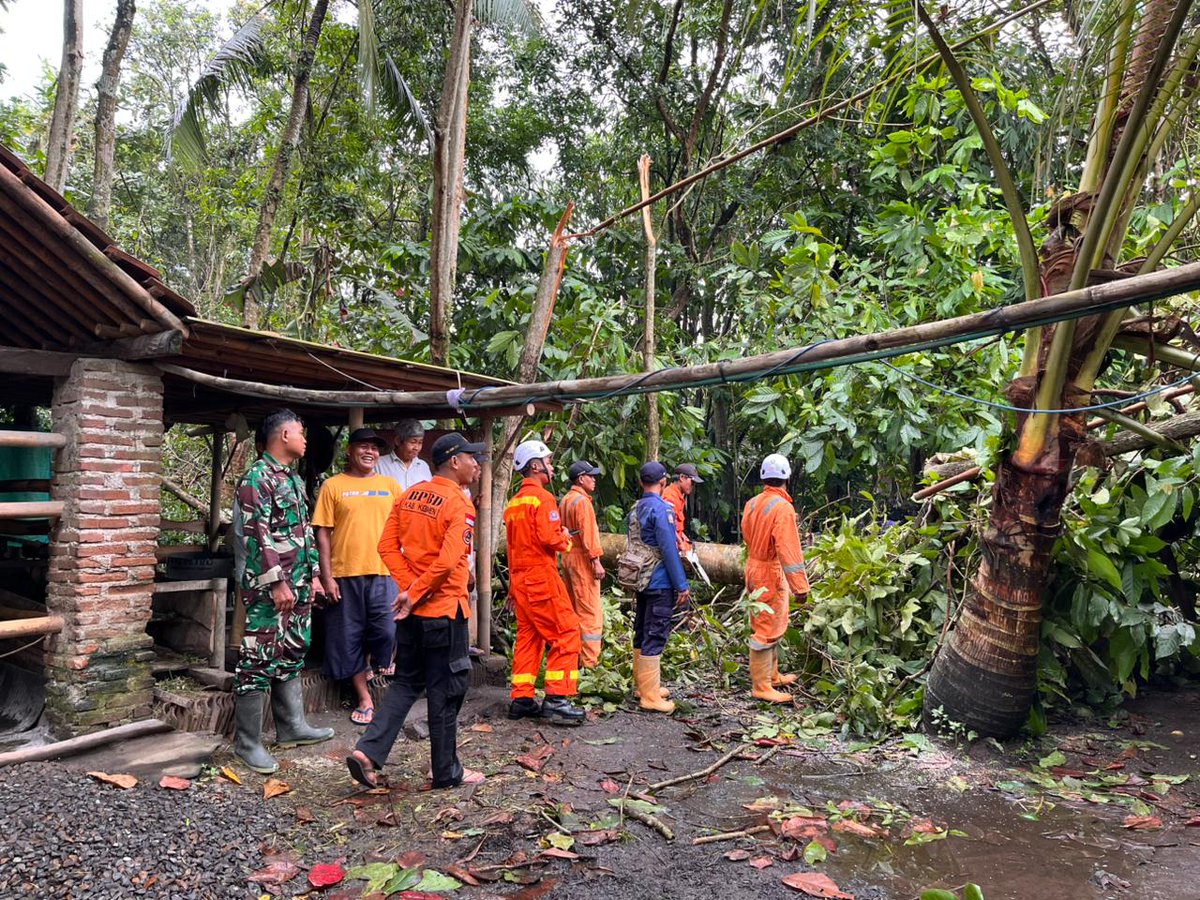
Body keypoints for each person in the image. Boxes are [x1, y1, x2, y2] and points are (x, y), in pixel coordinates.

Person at [345, 432, 487, 790]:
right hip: (444, 613)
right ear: (454, 461)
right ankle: (446, 771)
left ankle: (368, 752)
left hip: (411, 612)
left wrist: (409, 590)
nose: (477, 464)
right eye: (472, 457)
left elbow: (386, 546)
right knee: (446, 691)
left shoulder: (408, 495)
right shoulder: (459, 504)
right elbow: (450, 559)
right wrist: (419, 591)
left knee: (406, 683)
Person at [233, 409, 334, 775]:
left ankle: (291, 727)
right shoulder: (256, 478)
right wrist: (276, 580)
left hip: (299, 585)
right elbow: (256, 534)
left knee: (292, 651)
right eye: (301, 432)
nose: (306, 439)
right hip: (271, 588)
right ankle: (247, 742)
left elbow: (302, 532)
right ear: (285, 434)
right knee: (258, 659)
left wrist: (316, 577)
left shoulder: (290, 478)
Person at [312, 428, 402, 726]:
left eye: (375, 448)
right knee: (347, 638)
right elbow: (322, 534)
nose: (369, 452)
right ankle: (363, 697)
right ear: (349, 451)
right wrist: (326, 577)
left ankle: (373, 669)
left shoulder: (390, 486)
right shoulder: (332, 486)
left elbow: (405, 529)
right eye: (362, 446)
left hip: (384, 573)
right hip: (344, 574)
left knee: (386, 632)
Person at [505, 440, 585, 725]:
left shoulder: (514, 503)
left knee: (529, 637)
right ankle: (557, 699)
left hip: (520, 581)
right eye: (548, 462)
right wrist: (565, 539)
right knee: (567, 632)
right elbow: (549, 539)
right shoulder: (543, 499)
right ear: (535, 466)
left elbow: (516, 545)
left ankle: (522, 698)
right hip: (541, 577)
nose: (551, 467)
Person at [741, 453, 810, 704]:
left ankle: (771, 674)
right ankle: (761, 686)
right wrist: (800, 587)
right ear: (787, 478)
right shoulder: (782, 508)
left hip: (754, 565)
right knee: (766, 627)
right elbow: (789, 551)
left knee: (769, 622)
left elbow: (747, 535)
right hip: (769, 569)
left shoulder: (752, 503)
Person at [630, 462, 691, 714]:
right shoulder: (662, 509)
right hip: (659, 580)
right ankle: (650, 696)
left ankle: (643, 686)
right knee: (656, 632)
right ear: (664, 482)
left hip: (640, 578)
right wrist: (681, 584)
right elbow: (668, 549)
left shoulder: (635, 509)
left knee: (642, 628)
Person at [559, 461, 605, 667]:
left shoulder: (566, 500)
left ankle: (574, 657)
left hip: (568, 558)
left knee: (572, 607)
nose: (594, 480)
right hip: (582, 559)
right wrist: (595, 560)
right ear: (581, 479)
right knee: (590, 611)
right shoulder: (583, 502)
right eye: (591, 476)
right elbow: (589, 534)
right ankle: (589, 663)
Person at [376, 419, 432, 490]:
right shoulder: (379, 464)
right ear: (398, 441)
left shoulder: (423, 466)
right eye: (413, 442)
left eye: (420, 443)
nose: (417, 448)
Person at [662, 463, 703, 554]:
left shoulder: (678, 496)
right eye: (692, 482)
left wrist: (682, 536)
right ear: (682, 477)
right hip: (669, 547)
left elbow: (675, 524)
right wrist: (680, 542)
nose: (693, 486)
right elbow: (667, 525)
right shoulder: (670, 496)